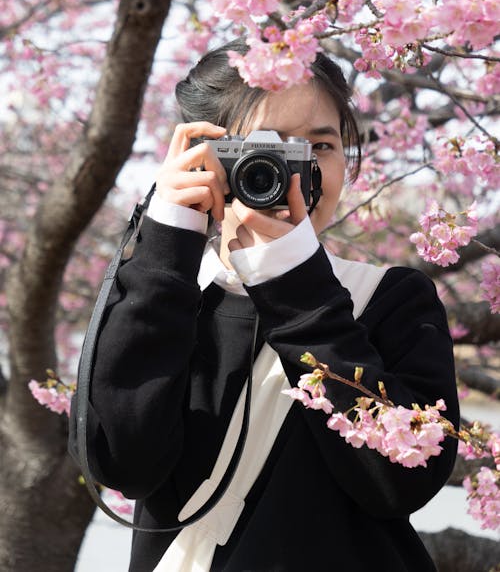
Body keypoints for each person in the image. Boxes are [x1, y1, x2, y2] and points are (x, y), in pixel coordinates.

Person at [69, 38, 459, 572]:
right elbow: (122, 464)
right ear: (204, 156)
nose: (295, 172)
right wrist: (166, 243)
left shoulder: (391, 299)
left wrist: (293, 277)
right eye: (267, 149)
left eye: (320, 147)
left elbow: (401, 482)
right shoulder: (169, 292)